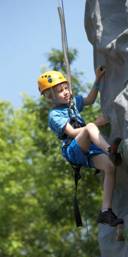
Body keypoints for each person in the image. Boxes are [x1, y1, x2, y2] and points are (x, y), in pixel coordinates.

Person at [37, 67, 123, 227]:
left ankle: (106, 211)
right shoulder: (54, 115)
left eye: (65, 88)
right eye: (60, 91)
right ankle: (110, 150)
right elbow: (72, 133)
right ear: (50, 97)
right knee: (90, 127)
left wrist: (97, 80)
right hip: (73, 149)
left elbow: (90, 99)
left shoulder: (73, 103)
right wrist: (96, 124)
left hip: (88, 148)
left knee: (110, 167)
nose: (65, 92)